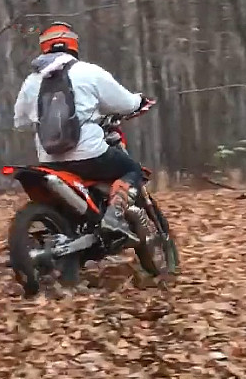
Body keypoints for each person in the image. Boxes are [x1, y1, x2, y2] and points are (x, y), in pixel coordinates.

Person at [13, 22, 151, 246]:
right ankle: (114, 216)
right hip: (90, 156)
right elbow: (126, 103)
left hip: (50, 161)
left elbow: (19, 121)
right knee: (131, 169)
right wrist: (140, 100)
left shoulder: (31, 81)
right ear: (73, 44)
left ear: (45, 48)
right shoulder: (88, 71)